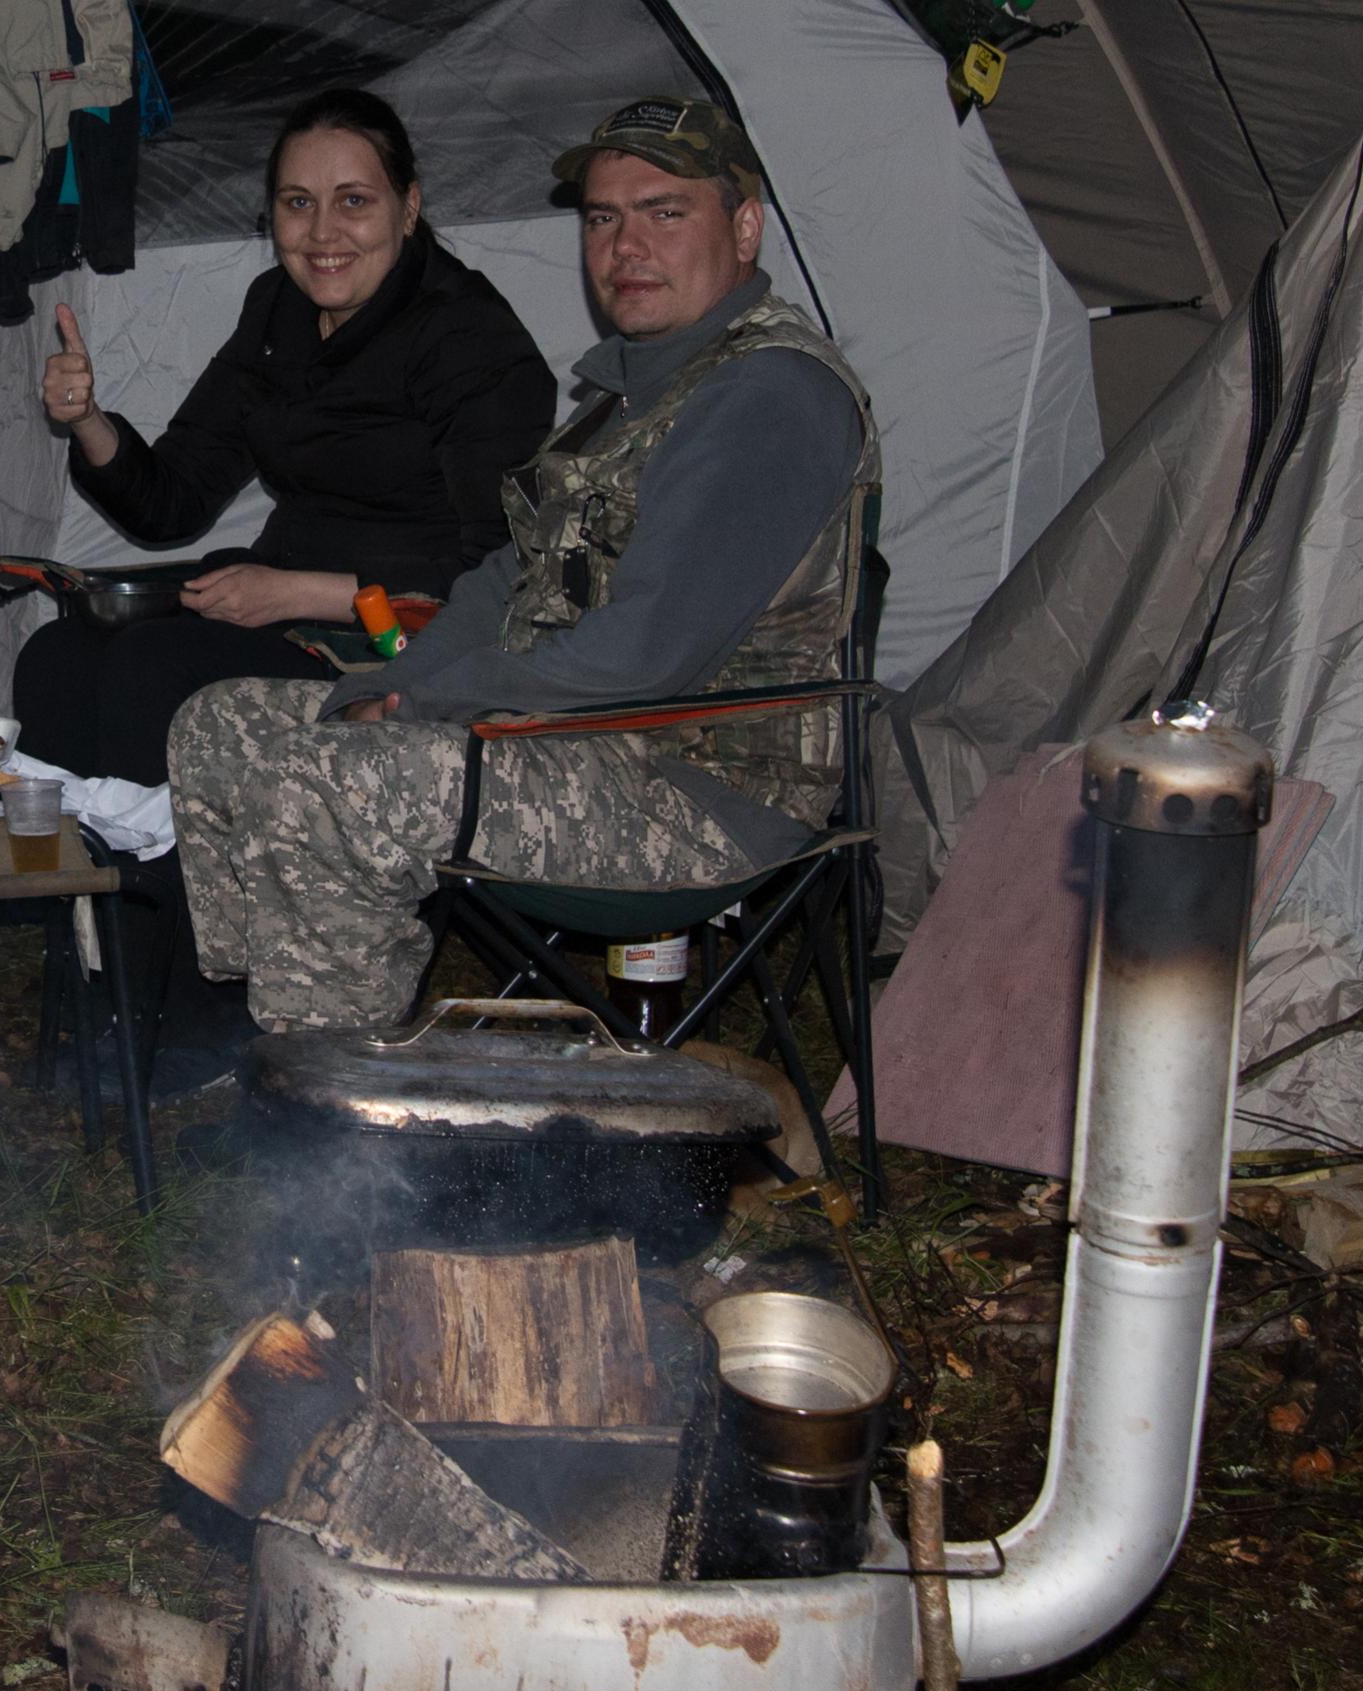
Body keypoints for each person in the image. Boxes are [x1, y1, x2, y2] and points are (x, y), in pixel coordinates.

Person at [165, 94, 875, 1033]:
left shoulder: (767, 395)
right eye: (602, 218)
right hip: (571, 740)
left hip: (695, 790)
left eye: (664, 212)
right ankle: (242, 1032)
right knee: (221, 726)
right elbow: (507, 577)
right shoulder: (632, 388)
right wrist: (395, 683)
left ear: (743, 228)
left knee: (331, 782)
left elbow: (641, 655)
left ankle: (337, 1090)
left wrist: (424, 705)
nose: (626, 247)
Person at [15, 88, 553, 786]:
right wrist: (86, 419)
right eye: (298, 202)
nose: (323, 233)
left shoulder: (470, 338)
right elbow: (172, 503)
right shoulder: (277, 309)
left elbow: (502, 571)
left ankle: (159, 860)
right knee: (57, 656)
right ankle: (73, 858)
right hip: (285, 609)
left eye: (353, 201)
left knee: (153, 670)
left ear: (408, 207)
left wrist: (298, 593)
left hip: (403, 635)